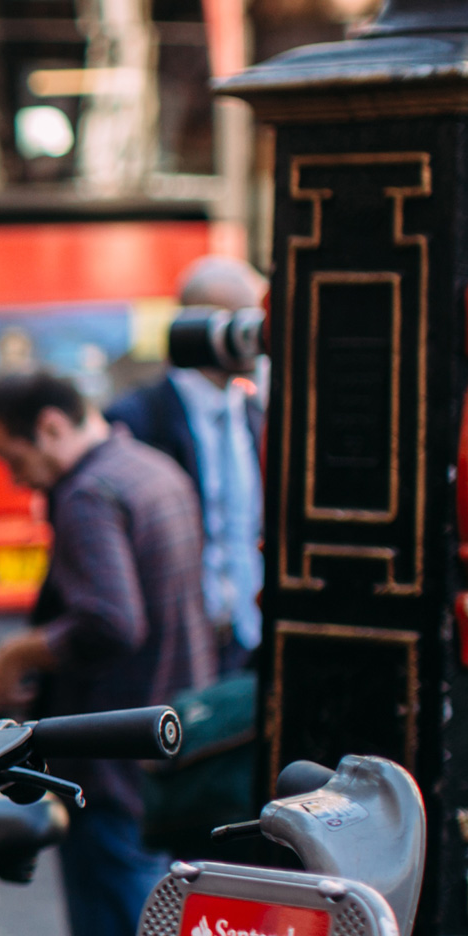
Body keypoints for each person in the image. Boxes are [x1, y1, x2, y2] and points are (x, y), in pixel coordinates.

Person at [0, 371, 215, 936]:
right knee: (160, 921)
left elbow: (111, 620)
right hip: (169, 739)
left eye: (16, 460)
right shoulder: (152, 469)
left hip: (107, 758)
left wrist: (19, 653)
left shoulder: (87, 495)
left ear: (50, 426)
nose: (22, 481)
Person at [106, 255, 267, 670]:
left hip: (247, 637)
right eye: (246, 321)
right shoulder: (137, 418)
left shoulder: (254, 416)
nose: (258, 337)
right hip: (174, 647)